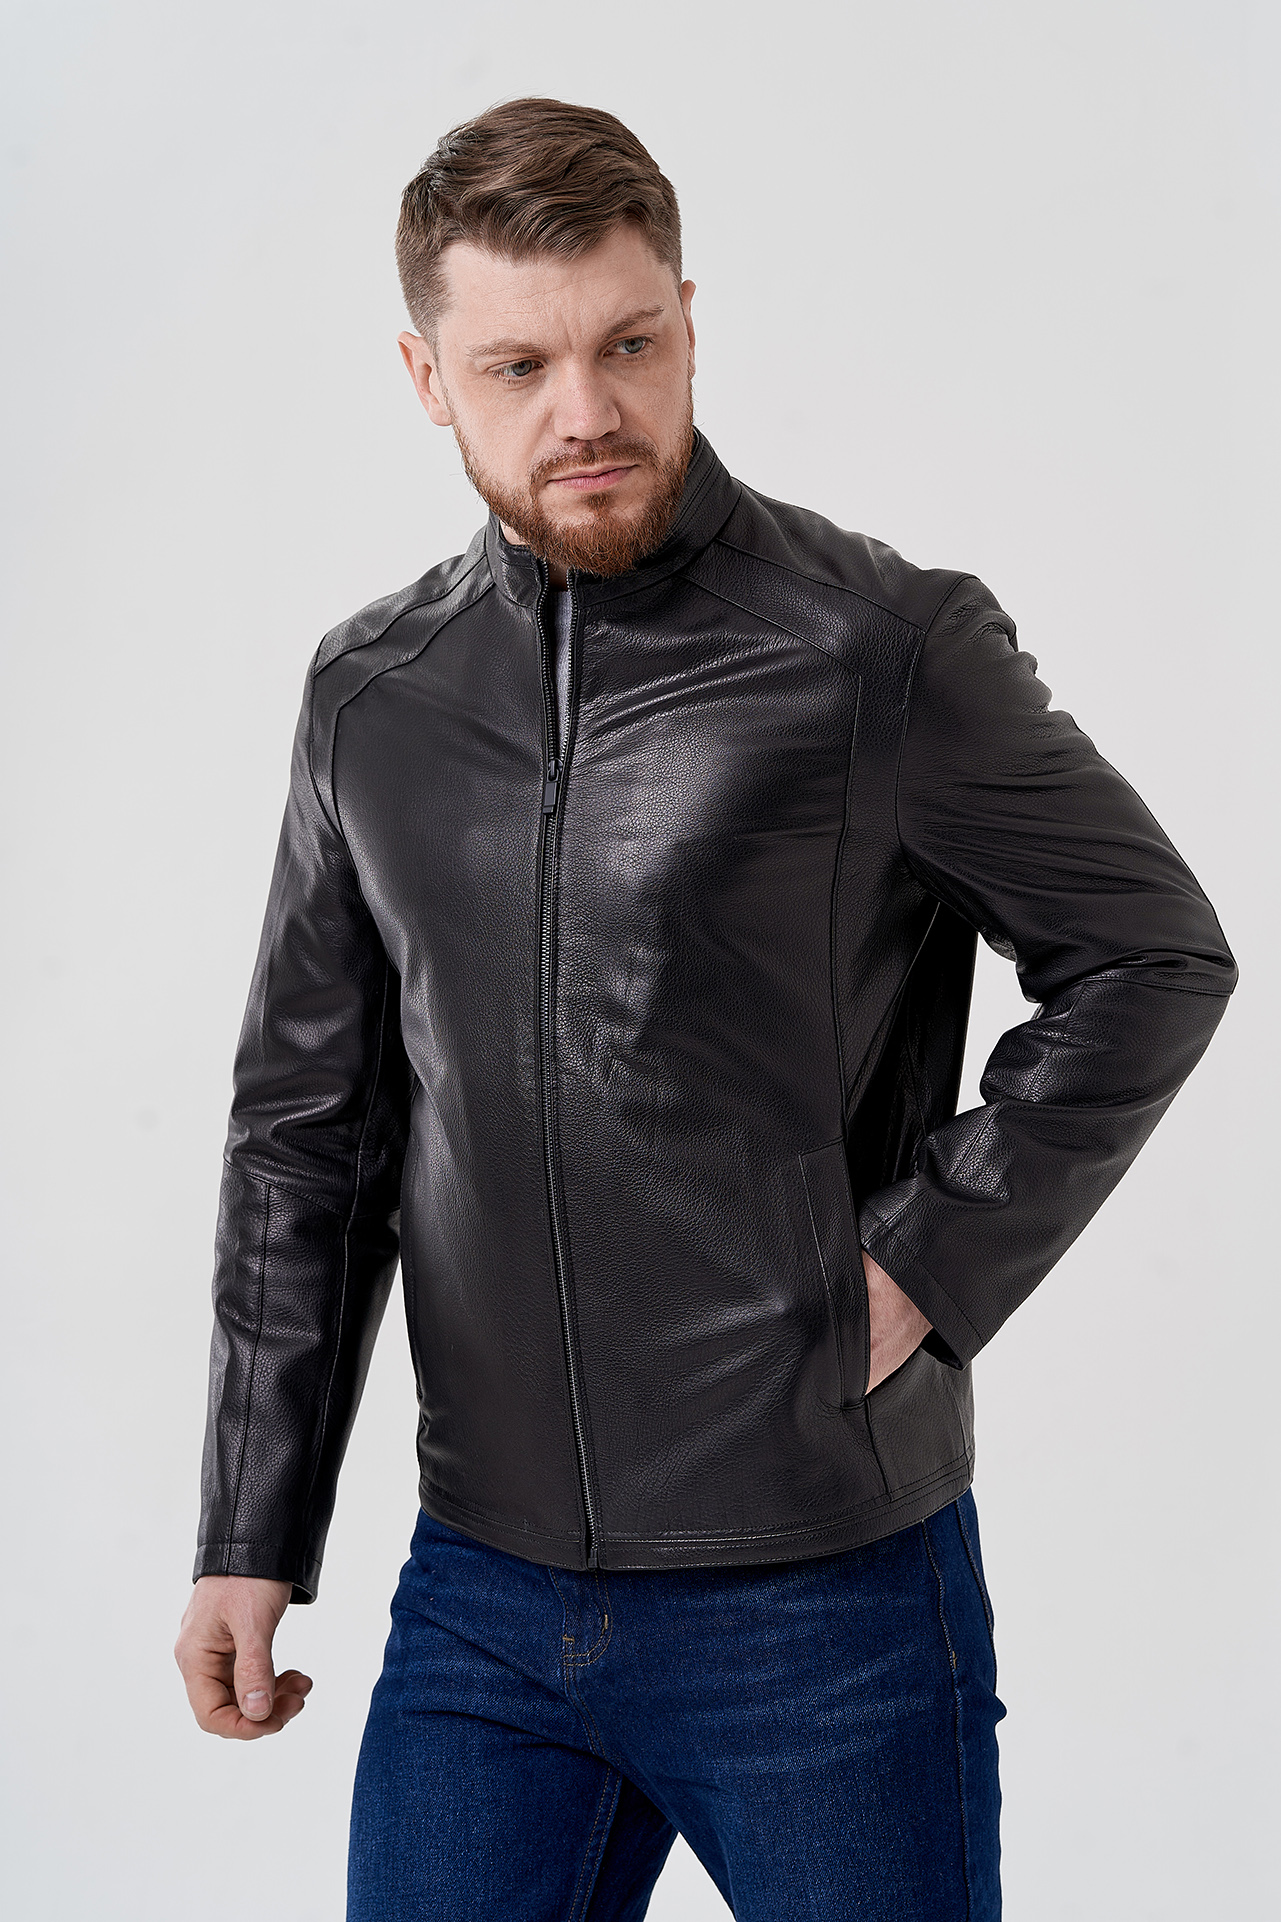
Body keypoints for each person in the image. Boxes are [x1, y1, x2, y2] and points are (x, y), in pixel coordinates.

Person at [173, 97, 1237, 1920]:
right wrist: (249, 1527)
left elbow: (1150, 952)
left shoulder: (876, 650)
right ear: (428, 379)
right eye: (519, 365)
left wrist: (927, 1257)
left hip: (819, 1595)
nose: (584, 409)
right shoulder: (372, 695)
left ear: (687, 322)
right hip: (483, 1595)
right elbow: (308, 1136)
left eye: (628, 344)